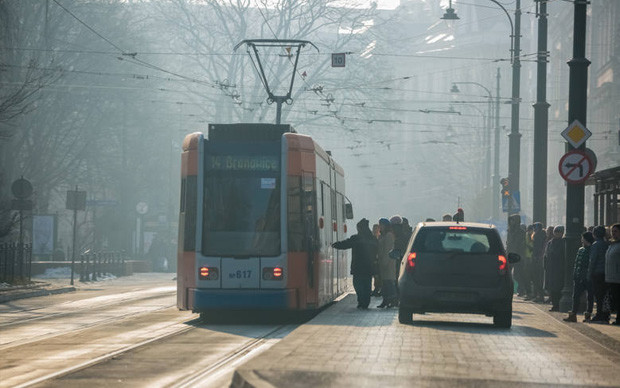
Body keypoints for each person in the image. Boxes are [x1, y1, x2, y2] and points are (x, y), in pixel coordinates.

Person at [332, 218, 377, 309]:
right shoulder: (373, 239)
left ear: (360, 228)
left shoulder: (357, 238)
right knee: (367, 285)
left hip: (358, 267)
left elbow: (345, 244)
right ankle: (365, 302)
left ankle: (361, 301)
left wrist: (334, 245)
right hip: (369, 267)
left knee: (358, 285)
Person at [564, 231, 594, 322]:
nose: (582, 240)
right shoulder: (581, 249)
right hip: (578, 276)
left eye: (583, 238)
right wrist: (575, 274)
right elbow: (576, 264)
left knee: (590, 296)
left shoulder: (592, 249)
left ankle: (588, 314)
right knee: (576, 296)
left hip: (587, 277)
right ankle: (573, 313)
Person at [589, 225, 610, 323]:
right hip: (606, 272)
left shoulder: (595, 245)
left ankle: (599, 315)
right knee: (604, 295)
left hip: (597, 273)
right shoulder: (606, 244)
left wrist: (589, 273)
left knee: (598, 295)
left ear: (594, 234)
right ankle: (605, 314)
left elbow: (593, 260)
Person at [544, 225, 565, 311]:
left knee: (558, 287)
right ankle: (554, 304)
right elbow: (546, 255)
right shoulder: (550, 242)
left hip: (559, 268)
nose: (557, 234)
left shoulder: (563, 242)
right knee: (551, 287)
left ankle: (557, 305)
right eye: (556, 232)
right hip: (550, 268)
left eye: (558, 232)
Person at [377, 218, 397, 308]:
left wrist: (384, 262)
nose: (380, 227)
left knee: (389, 282)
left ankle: (392, 300)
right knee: (384, 283)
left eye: (381, 225)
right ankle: (385, 300)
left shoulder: (389, 235)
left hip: (388, 263)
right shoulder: (382, 235)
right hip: (383, 262)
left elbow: (387, 250)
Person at [507, 214, 526, 296]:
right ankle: (507, 289)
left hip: (518, 255)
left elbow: (522, 245)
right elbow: (508, 243)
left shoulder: (521, 232)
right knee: (507, 274)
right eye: (511, 220)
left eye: (513, 220)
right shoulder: (509, 231)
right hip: (510, 254)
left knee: (518, 275)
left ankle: (522, 290)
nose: (511, 222)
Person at [605, 223, 620, 325]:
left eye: (615, 231)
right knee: (614, 298)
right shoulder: (612, 244)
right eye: (612, 232)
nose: (613, 234)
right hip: (611, 277)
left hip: (617, 277)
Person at [531, 222, 546, 302]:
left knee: (537, 278)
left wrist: (536, 256)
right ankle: (539, 295)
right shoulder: (542, 235)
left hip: (538, 259)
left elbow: (538, 248)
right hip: (538, 258)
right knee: (538, 278)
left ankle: (539, 296)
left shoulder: (538, 235)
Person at [371, 223, 382, 297]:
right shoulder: (373, 238)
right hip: (375, 259)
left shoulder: (380, 237)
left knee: (377, 275)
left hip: (379, 259)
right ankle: (376, 288)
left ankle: (377, 288)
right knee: (376, 275)